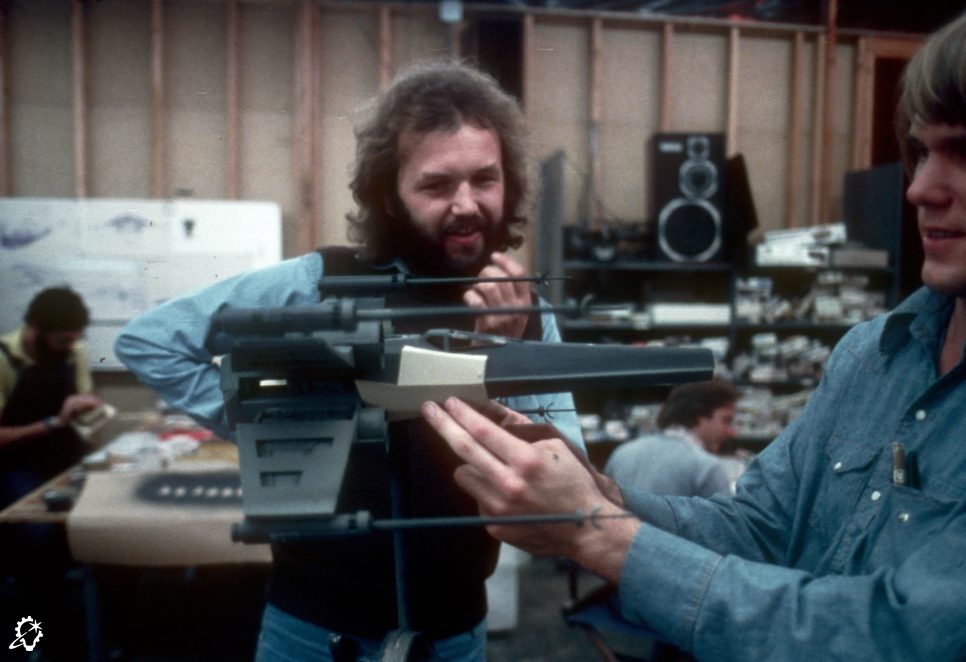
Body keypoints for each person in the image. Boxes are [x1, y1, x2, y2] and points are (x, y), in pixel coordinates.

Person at [419, 1, 966, 658]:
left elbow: (891, 638)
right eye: (921, 152)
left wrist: (597, 532)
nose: (920, 188)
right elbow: (758, 527)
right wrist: (595, 493)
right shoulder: (872, 354)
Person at [114, 60, 582, 661]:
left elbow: (567, 482)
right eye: (437, 186)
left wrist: (507, 357)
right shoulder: (319, 283)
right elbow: (152, 340)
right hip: (311, 633)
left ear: (508, 184)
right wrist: (266, 422)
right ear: (388, 196)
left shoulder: (523, 309)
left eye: (485, 180)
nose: (466, 205)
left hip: (454, 634)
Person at [1, 286, 102, 510]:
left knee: (97, 512)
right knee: (37, 524)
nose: (70, 347)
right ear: (34, 330)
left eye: (75, 339)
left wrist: (89, 408)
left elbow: (84, 402)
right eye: (62, 341)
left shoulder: (75, 350)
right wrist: (54, 423)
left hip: (64, 453)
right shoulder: (4, 358)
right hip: (18, 462)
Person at [605, 380, 737, 498]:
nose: (732, 432)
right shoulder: (706, 467)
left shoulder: (622, 454)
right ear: (700, 416)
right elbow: (726, 518)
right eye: (726, 420)